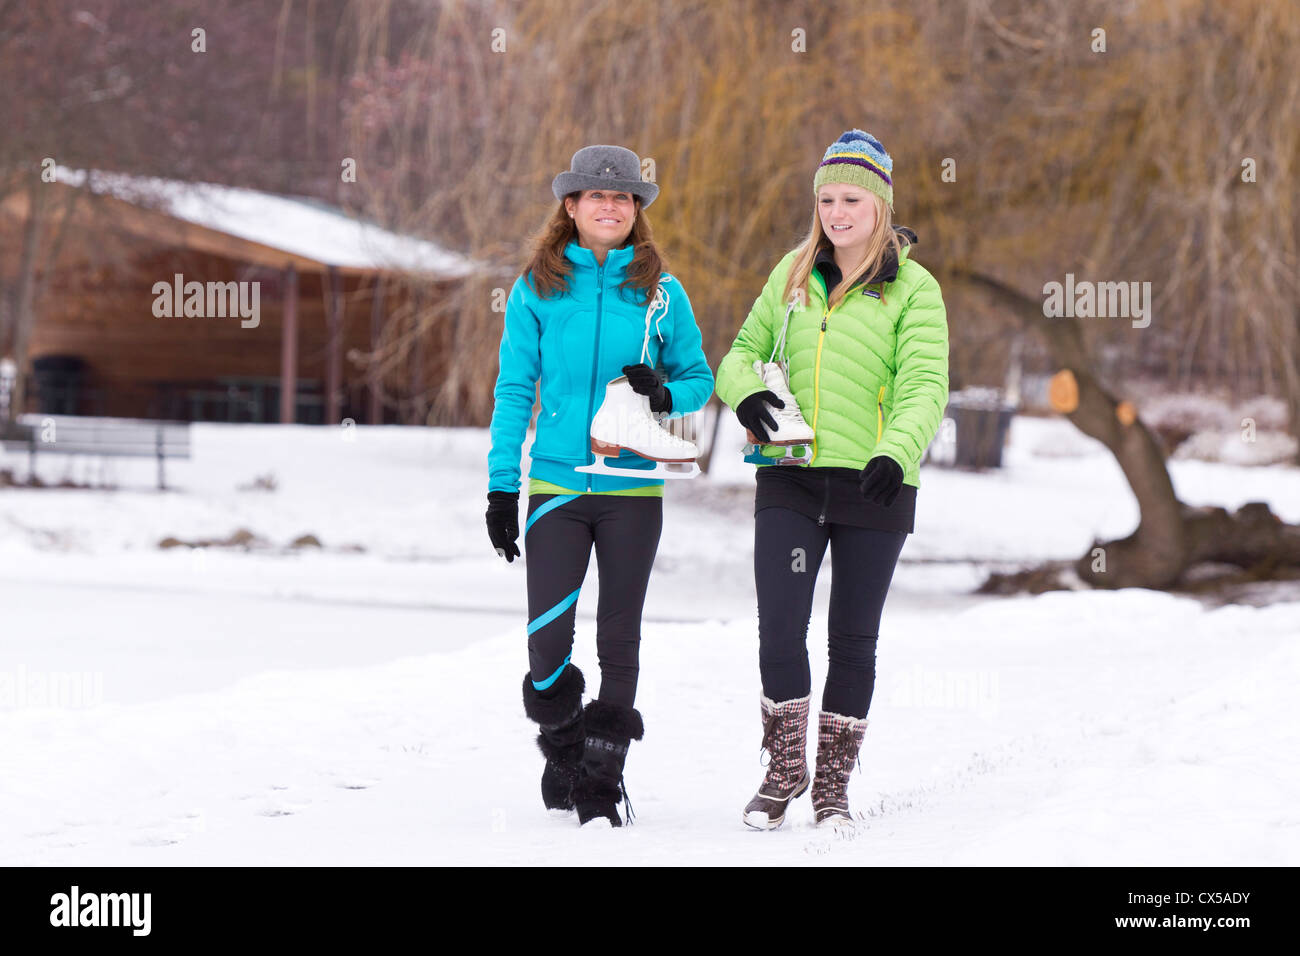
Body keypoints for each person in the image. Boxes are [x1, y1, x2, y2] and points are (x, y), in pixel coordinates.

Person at [715, 129, 950, 830]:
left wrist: (895, 453)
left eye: (852, 198)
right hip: (791, 476)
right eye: (826, 199)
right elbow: (742, 352)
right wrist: (743, 394)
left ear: (879, 204)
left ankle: (833, 787)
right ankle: (786, 769)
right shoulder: (791, 271)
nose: (837, 212)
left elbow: (924, 383)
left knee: (853, 638)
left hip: (876, 482)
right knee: (780, 627)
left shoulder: (915, 288)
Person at [486, 144, 714, 827]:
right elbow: (513, 388)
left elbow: (700, 379)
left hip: (632, 490)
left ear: (635, 210)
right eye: (596, 196)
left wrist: (664, 389)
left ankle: (599, 782)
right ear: (572, 206)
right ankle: (562, 747)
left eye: (623, 198)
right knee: (547, 643)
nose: (610, 207)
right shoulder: (536, 287)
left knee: (620, 638)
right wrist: (502, 487)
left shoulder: (662, 293)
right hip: (555, 485)